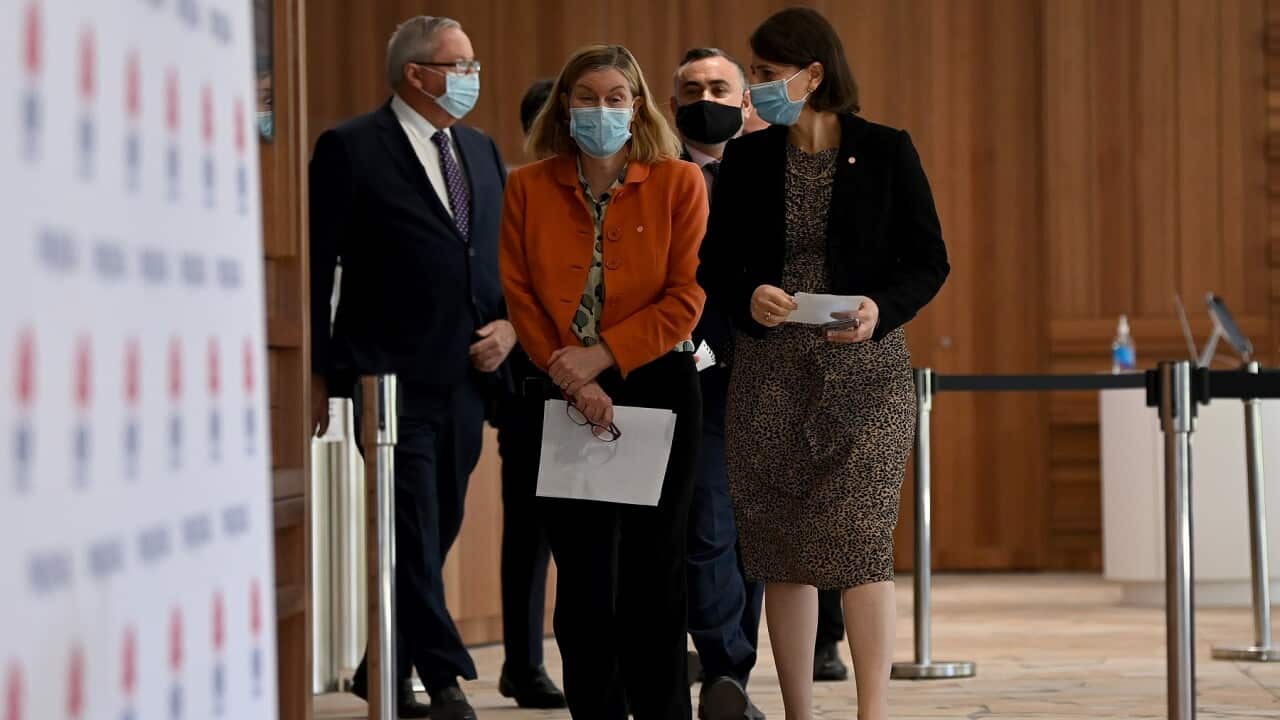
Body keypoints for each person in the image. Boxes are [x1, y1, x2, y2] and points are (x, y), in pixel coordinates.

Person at [699, 8, 950, 720]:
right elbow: (715, 264)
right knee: (781, 549)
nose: (756, 87)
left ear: (814, 73)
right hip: (770, 374)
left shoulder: (887, 149)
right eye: (753, 74)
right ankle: (799, 713)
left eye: (767, 74)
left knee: (859, 543)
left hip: (864, 377)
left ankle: (872, 711)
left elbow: (929, 260)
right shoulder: (748, 159)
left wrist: (879, 308)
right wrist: (751, 293)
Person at [309, 16, 514, 720]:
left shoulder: (481, 151)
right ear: (416, 75)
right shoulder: (350, 148)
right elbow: (316, 269)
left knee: (437, 523)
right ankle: (447, 676)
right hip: (387, 378)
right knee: (413, 527)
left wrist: (511, 328)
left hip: (469, 377)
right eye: (459, 63)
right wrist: (317, 376)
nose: (472, 74)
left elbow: (494, 261)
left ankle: (381, 665)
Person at [500, 44, 708, 719]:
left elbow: (686, 296)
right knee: (585, 580)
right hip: (560, 395)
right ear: (564, 105)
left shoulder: (679, 182)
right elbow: (521, 295)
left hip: (657, 388)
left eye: (617, 96)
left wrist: (603, 358)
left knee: (655, 573)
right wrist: (571, 372)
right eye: (587, 96)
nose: (601, 109)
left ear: (638, 106)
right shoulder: (527, 185)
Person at [668, 46, 765, 720]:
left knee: (755, 534)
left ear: (745, 101)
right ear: (673, 107)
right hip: (687, 378)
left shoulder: (772, 179)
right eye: (694, 88)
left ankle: (733, 671)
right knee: (707, 527)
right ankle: (724, 666)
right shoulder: (655, 178)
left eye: (721, 86)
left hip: (766, 377)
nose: (708, 96)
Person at [489, 76, 568, 711]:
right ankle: (523, 661)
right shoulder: (513, 186)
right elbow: (492, 278)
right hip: (526, 387)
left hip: (604, 382)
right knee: (531, 534)